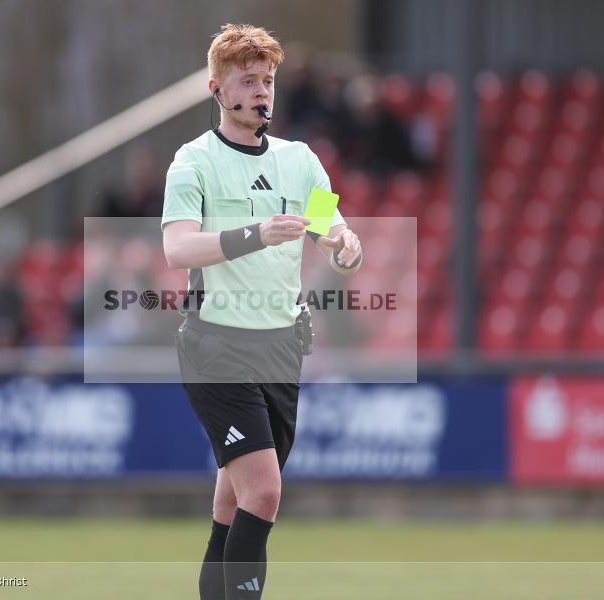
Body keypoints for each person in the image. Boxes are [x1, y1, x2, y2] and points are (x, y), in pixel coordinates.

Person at [161, 24, 363, 599]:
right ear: (217, 89)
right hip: (215, 346)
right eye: (246, 81)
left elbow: (334, 230)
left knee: (233, 503)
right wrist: (254, 233)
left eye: (267, 80)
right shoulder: (192, 162)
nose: (260, 92)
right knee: (265, 493)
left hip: (280, 346)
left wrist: (346, 248)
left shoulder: (301, 161)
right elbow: (177, 249)